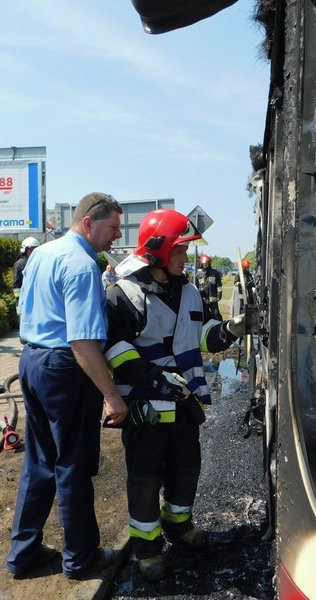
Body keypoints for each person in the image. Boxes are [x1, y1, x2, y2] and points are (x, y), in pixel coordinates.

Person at [105, 209, 245, 581]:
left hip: (184, 404)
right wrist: (156, 378)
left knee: (186, 469)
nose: (186, 258)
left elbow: (203, 336)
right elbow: (115, 349)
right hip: (146, 407)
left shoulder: (190, 291)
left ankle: (178, 527)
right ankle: (147, 549)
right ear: (158, 252)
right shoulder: (125, 295)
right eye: (180, 251)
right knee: (145, 478)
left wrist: (233, 328)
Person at [6, 192, 129, 580]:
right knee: (73, 465)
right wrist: (112, 395)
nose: (116, 237)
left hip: (32, 361)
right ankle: (81, 559)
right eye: (113, 228)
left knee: (39, 463)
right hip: (65, 367)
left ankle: (23, 554)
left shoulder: (42, 253)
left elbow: (25, 310)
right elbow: (82, 341)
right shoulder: (81, 264)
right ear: (89, 223)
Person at [12, 236, 41, 307]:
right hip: (25, 300)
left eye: (34, 249)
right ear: (25, 250)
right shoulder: (20, 264)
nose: (32, 252)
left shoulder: (41, 262)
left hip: (39, 299)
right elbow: (17, 285)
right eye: (30, 250)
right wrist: (19, 301)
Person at [195, 253, 222, 320]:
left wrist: (219, 294)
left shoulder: (215, 273)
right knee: (204, 317)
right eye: (204, 263)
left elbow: (219, 285)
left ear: (209, 263)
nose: (205, 264)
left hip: (213, 299)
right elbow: (195, 288)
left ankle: (220, 327)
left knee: (216, 315)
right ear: (201, 264)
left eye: (207, 263)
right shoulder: (198, 275)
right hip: (203, 300)